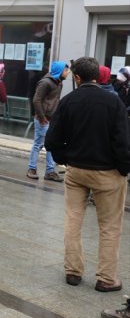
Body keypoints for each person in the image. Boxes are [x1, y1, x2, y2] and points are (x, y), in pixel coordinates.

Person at [44, 57, 130, 292]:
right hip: (108, 172)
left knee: (73, 220)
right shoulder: (113, 103)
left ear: (77, 78)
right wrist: (123, 170)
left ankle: (73, 271)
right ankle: (106, 278)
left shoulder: (69, 101)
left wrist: (65, 159)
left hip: (77, 171)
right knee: (110, 226)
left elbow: (51, 140)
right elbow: (123, 141)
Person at [27, 61, 69, 181]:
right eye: (65, 70)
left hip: (52, 119)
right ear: (60, 71)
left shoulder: (58, 82)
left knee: (51, 145)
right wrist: (41, 117)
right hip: (43, 119)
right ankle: (32, 168)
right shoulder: (45, 82)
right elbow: (36, 100)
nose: (67, 73)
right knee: (38, 144)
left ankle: (50, 171)